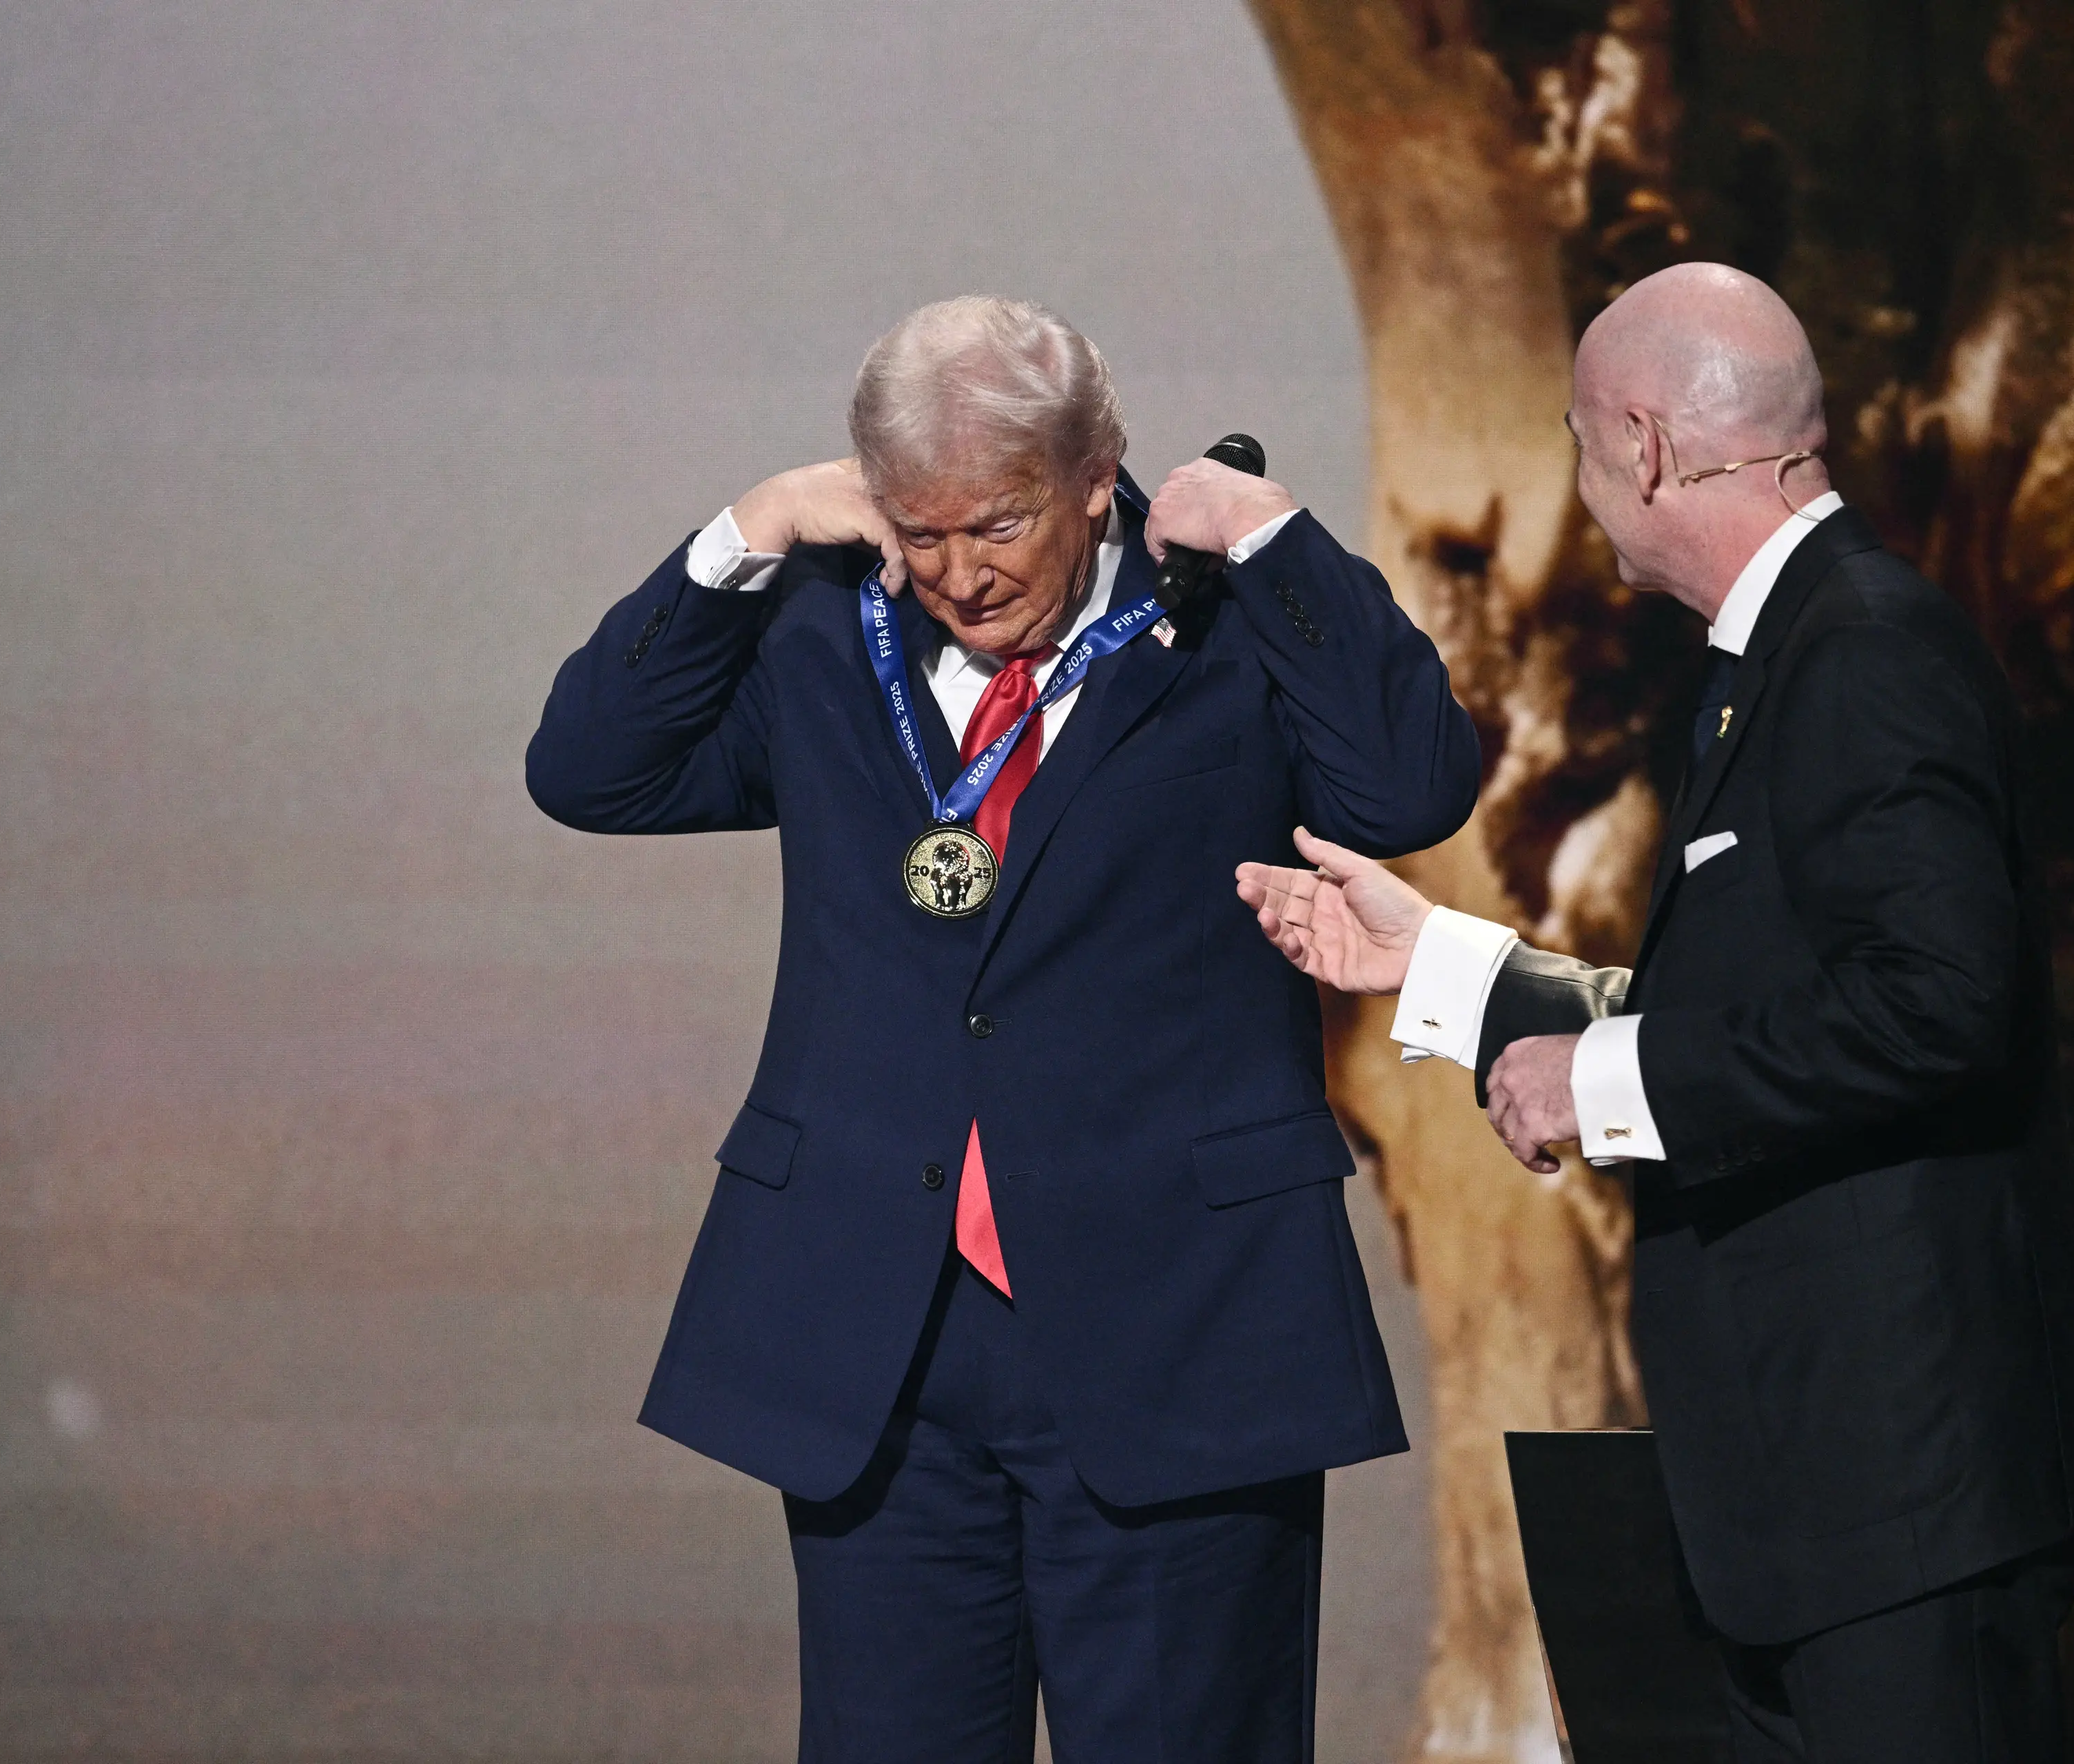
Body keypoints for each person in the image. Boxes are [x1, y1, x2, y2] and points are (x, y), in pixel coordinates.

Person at [527, 296, 1478, 1761]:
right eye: (920, 530)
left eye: (998, 525)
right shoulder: (825, 630)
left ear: (1101, 472)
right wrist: (752, 524)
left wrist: (1279, 535)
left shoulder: (1225, 621)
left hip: (1176, 1321)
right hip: (881, 1339)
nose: (958, 574)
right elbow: (589, 767)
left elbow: (1412, 785)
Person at [1236, 264, 2074, 1764]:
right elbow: (1753, 1014)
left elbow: (1937, 1006)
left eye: (1582, 448)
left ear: (1647, 446)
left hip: (1901, 1500)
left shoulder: (1861, 650)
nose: (1583, 490)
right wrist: (1444, 969)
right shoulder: (1780, 658)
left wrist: (1598, 1086)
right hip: (1815, 1504)